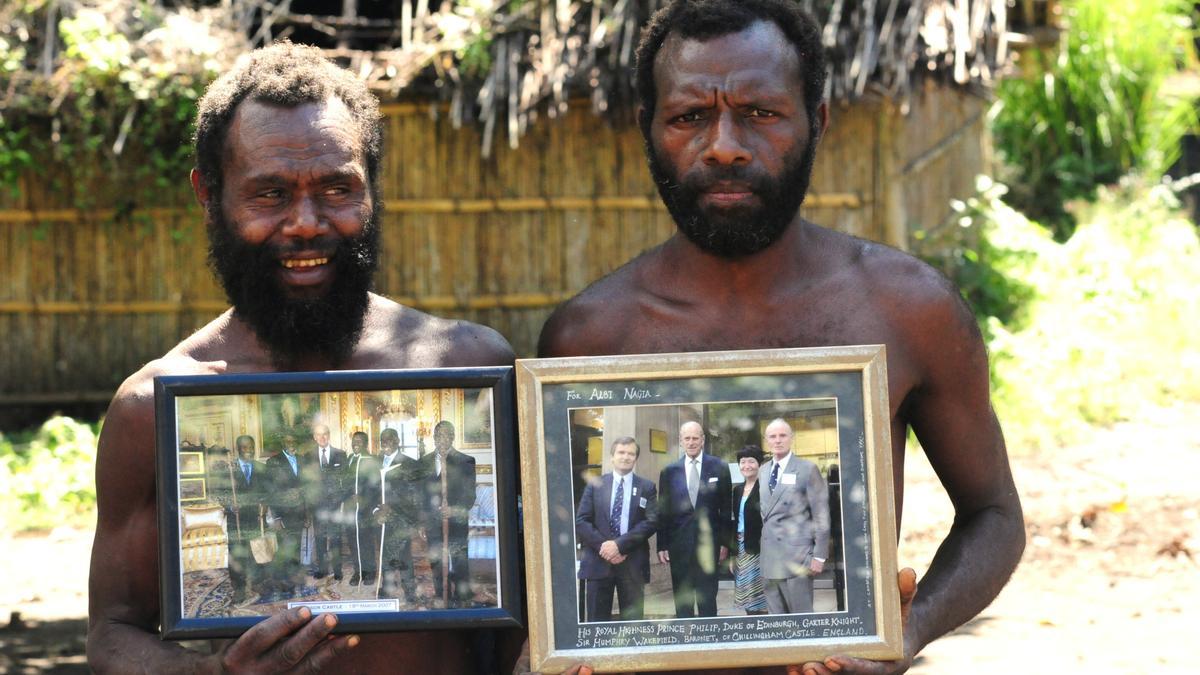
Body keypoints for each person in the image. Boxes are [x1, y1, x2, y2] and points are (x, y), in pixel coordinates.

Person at [537, 1, 1024, 672]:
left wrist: (904, 634)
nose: (725, 144)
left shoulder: (910, 311)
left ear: (817, 122)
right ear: (648, 131)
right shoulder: (586, 338)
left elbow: (995, 514)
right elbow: (555, 570)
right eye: (689, 116)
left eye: (760, 113)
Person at [86, 42, 520, 673]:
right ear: (209, 196)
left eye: (337, 188)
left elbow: (530, 608)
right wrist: (211, 674)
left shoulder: (473, 366)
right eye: (270, 194)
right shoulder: (153, 408)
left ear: (370, 187)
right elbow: (112, 633)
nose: (307, 223)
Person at [574, 436, 659, 622]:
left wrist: (619, 546)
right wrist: (605, 547)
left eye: (631, 453)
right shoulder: (595, 485)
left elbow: (651, 522)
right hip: (598, 561)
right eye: (621, 452)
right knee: (597, 624)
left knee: (633, 626)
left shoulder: (647, 487)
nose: (626, 457)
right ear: (612, 456)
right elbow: (582, 521)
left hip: (632, 564)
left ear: (636, 458)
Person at [655, 421, 731, 618]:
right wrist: (661, 544)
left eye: (695, 438)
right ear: (681, 441)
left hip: (710, 545)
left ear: (703, 440)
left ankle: (709, 639)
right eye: (687, 438)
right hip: (679, 546)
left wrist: (725, 543)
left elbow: (726, 508)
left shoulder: (719, 467)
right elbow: (663, 511)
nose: (691, 442)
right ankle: (685, 641)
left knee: (707, 598)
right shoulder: (669, 471)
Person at [758, 419, 830, 615]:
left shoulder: (807, 469)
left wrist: (819, 556)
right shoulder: (763, 471)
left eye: (783, 435)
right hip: (769, 559)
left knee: (802, 622)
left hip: (798, 558)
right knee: (777, 625)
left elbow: (821, 515)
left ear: (791, 438)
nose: (778, 440)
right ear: (767, 441)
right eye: (773, 436)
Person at [422, 421, 477, 608]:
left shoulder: (466, 461)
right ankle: (441, 594)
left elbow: (470, 496)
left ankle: (462, 596)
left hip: (457, 521)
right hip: (432, 522)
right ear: (434, 438)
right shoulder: (424, 462)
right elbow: (420, 496)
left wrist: (453, 510)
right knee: (436, 559)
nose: (442, 439)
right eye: (438, 435)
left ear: (453, 437)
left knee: (459, 560)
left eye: (447, 435)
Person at [367, 427, 424, 605]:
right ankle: (387, 588)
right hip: (381, 519)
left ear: (398, 441)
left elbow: (413, 495)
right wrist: (376, 511)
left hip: (402, 519)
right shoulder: (373, 463)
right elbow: (368, 491)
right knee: (384, 553)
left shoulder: (410, 464)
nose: (386, 443)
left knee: (404, 555)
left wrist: (391, 507)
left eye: (390, 439)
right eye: (383, 439)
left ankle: (410, 591)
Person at [265, 432, 310, 594]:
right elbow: (271, 493)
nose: (292, 444)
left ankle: (294, 580)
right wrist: (276, 517)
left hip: (299, 513)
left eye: (294, 441)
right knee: (285, 547)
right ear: (282, 443)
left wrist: (307, 514)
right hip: (282, 515)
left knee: (296, 546)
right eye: (288, 441)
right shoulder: (273, 462)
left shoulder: (302, 460)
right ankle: (281, 581)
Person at [729, 445, 768, 615]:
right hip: (741, 546)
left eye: (751, 461)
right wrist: (733, 553)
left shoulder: (766, 488)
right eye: (742, 462)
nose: (746, 466)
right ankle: (752, 624)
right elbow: (734, 521)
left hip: (760, 547)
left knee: (760, 593)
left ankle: (763, 625)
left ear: (759, 464)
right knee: (746, 592)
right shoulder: (737, 490)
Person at [309, 423, 347, 580]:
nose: (322, 437)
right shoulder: (308, 456)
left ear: (329, 435)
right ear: (314, 437)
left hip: (335, 505)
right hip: (317, 506)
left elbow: (345, 481)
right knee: (320, 539)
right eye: (318, 435)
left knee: (336, 539)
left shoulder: (341, 454)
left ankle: (338, 570)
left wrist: (340, 502)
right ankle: (323, 569)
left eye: (325, 434)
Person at [344, 430, 376, 586]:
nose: (355, 444)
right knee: (353, 541)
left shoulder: (371, 460)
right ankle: (358, 571)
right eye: (353, 441)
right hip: (351, 509)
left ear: (366, 443)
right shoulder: (349, 459)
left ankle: (370, 571)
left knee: (365, 540)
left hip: (366, 509)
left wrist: (363, 498)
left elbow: (375, 486)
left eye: (359, 441)